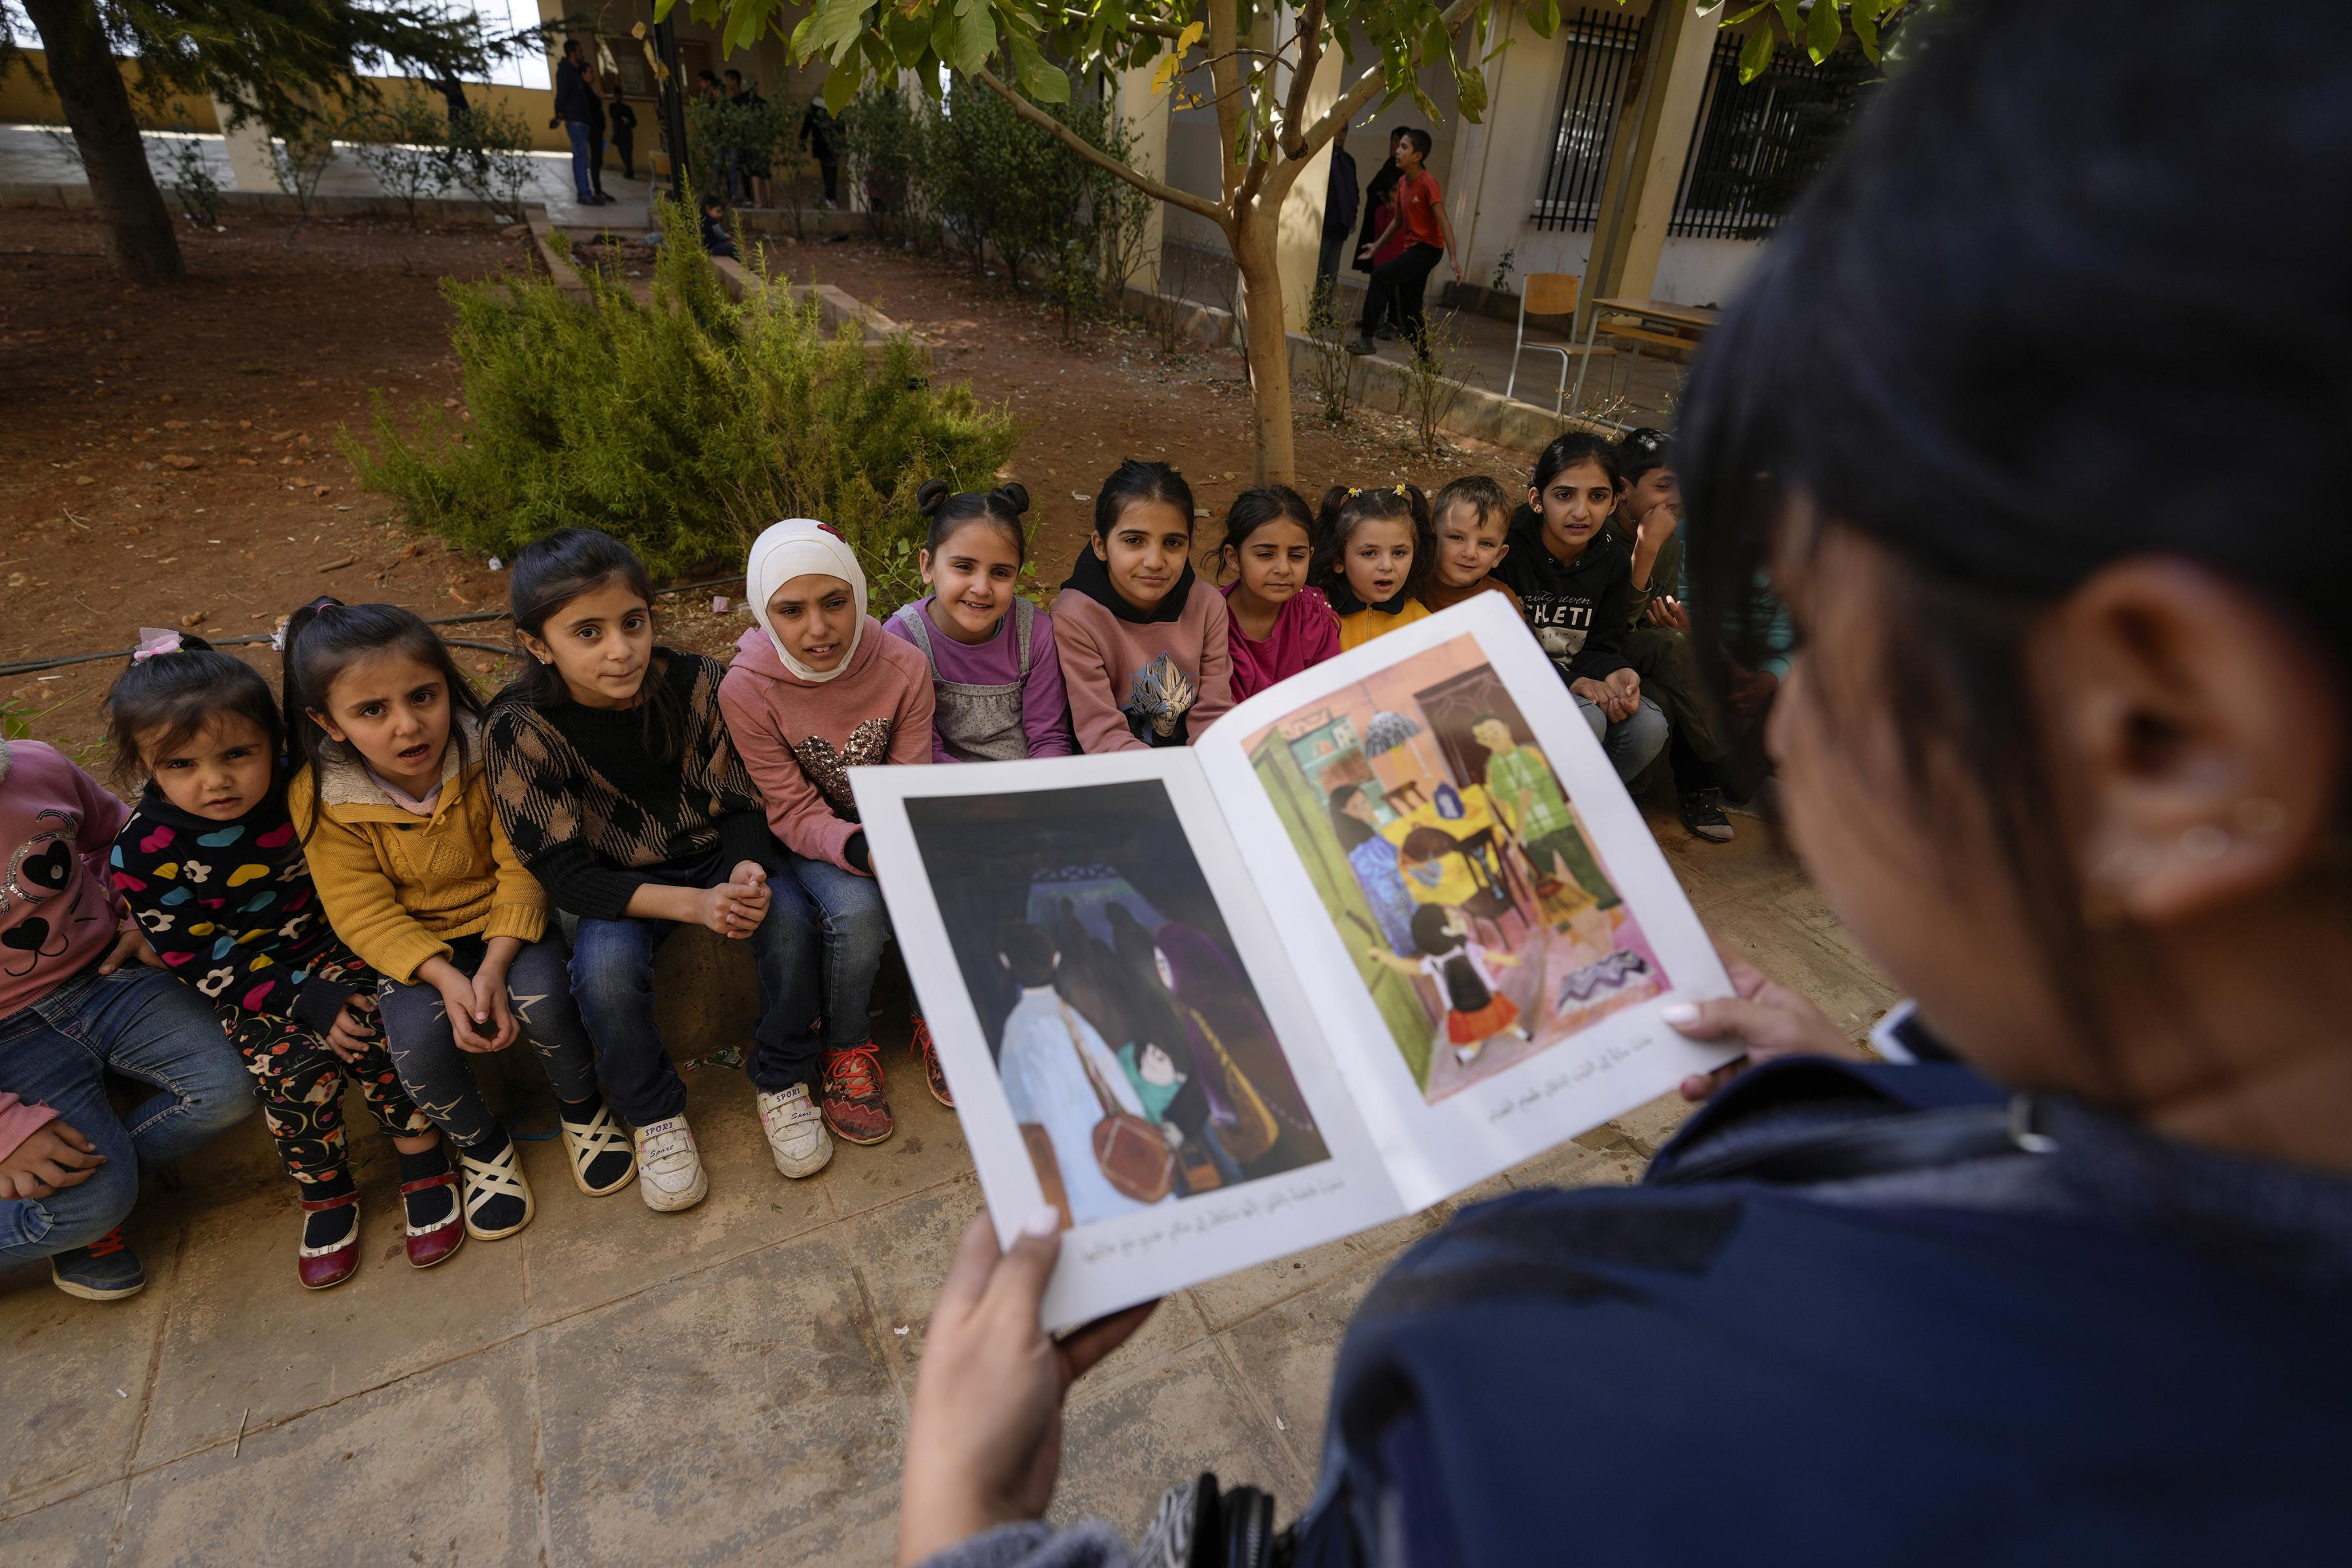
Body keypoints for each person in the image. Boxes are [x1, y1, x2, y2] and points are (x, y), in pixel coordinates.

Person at [890, 4, 2352, 1562]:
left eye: (1801, 615)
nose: (1768, 706)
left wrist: (964, 1515)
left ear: (2157, 733)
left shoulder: (1527, 1398)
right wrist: (1874, 1098)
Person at [485, 529, 832, 1211]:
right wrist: (694, 909)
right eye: (587, 633)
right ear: (537, 644)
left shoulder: (697, 682)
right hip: (619, 887)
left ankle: (784, 1078)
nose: (620, 649)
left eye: (632, 623)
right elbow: (566, 877)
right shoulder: (519, 728)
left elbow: (740, 799)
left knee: (790, 921)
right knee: (604, 975)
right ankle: (653, 1116)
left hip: (716, 860)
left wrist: (745, 877)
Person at [104, 633, 444, 1288]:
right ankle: (325, 1191)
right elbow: (195, 953)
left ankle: (422, 1156)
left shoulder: (306, 790)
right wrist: (301, 999)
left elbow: (356, 881)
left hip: (347, 945)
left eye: (238, 753)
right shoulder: (143, 849)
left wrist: (336, 985)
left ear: (276, 741)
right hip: (254, 985)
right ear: (144, 764)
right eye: (181, 765)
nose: (216, 780)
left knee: (381, 1032)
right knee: (288, 1074)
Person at [282, 598, 626, 1245]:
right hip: (417, 952)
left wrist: (495, 963)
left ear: (448, 685)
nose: (408, 727)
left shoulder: (488, 749)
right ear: (327, 722)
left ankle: (583, 1108)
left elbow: (523, 860)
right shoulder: (322, 798)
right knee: (416, 1050)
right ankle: (482, 1148)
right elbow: (360, 910)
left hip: (509, 924)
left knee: (548, 1000)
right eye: (372, 711)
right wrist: (443, 977)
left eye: (423, 696)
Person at [0, 738, 251, 1301]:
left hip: (106, 977)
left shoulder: (36, 767)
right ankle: (81, 1208)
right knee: (91, 1206)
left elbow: (118, 835)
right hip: (9, 1041)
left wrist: (140, 910)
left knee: (237, 1079)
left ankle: (99, 1184)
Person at [719, 521, 939, 1144]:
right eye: (791, 611)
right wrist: (858, 847)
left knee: (940, 886)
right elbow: (788, 809)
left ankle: (943, 1018)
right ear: (765, 612)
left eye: (834, 602)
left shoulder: (902, 665)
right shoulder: (748, 688)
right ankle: (845, 1048)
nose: (817, 629)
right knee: (857, 911)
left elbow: (907, 777)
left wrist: (892, 839)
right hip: (814, 840)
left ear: (859, 595)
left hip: (893, 821)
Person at [1492, 433, 1668, 783]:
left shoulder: (1614, 558)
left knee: (1648, 726)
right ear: (1536, 498)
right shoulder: (1505, 548)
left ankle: (1587, 808)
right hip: (1508, 687)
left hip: (1574, 683)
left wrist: (1616, 671)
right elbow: (1501, 653)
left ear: (1616, 501)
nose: (1580, 512)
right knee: (1587, 718)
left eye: (1597, 497)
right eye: (1563, 495)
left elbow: (1603, 645)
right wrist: (1575, 684)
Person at [884, 482, 1074, 766]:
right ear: (927, 566)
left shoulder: (1034, 634)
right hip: (945, 789)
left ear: (1017, 576)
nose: (982, 588)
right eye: (964, 567)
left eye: (1000, 572)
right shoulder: (903, 639)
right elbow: (921, 748)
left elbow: (1049, 738)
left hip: (1025, 785)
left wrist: (1037, 794)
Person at [992, 921, 1166, 1229]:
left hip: (1066, 1145)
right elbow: (1111, 1074)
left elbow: (1017, 1105)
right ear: (1056, 959)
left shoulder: (1018, 1026)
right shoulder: (1069, 1014)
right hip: (1113, 1138)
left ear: (1005, 962)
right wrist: (1140, 1118)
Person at [1607, 427, 1735, 843]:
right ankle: (1715, 769)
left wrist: (1675, 619)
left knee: (1680, 652)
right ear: (1623, 490)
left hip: (1643, 646)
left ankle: (1702, 780)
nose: (1675, 497)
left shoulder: (1670, 539)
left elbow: (1656, 611)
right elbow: (1613, 627)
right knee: (1675, 653)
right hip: (1602, 647)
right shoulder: (1601, 533)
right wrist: (1644, 550)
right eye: (1663, 486)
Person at [1053, 461, 1234, 751]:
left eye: (1173, 543)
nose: (1154, 561)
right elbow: (1103, 733)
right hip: (1117, 771)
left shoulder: (1208, 607)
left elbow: (1213, 714)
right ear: (1100, 545)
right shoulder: (1076, 618)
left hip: (1193, 764)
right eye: (1134, 540)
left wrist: (1211, 767)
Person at [1473, 712, 1618, 915]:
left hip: (1557, 822)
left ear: (1506, 727)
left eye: (1493, 730)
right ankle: (1559, 922)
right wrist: (1505, 827)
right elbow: (1501, 802)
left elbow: (1527, 793)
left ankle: (1609, 903)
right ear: (1480, 742)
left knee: (1583, 866)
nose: (1491, 737)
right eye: (1484, 736)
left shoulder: (1532, 753)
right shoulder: (1492, 767)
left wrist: (1516, 834)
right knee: (1540, 881)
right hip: (1531, 835)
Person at [1365, 902, 1527, 1066]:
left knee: (1479, 1034)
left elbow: (1412, 968)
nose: (1461, 920)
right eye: (1455, 919)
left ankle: (1469, 1053)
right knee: (1499, 1024)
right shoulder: (1464, 948)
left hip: (1461, 1007)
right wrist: (1511, 960)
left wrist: (1385, 958)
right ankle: (1511, 1037)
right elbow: (1489, 955)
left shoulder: (1434, 961)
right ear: (1444, 930)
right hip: (1486, 997)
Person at [1216, 485, 1337, 702]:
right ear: (1233, 558)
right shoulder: (1211, 624)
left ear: (1310, 555)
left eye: (1296, 556)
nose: (1283, 568)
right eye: (1265, 555)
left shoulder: (1313, 617)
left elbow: (1331, 694)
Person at [1348, 127, 1459, 357]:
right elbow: (1398, 222)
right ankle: (1426, 363)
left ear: (1417, 156)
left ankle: (1366, 339)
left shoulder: (1428, 183)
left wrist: (1454, 259)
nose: (1397, 151)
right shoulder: (1401, 184)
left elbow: (1444, 222)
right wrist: (1376, 246)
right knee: (1410, 309)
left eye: (1404, 147)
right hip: (1414, 249)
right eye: (1398, 147)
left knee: (1380, 276)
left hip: (1428, 249)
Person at [1309, 482, 1434, 651]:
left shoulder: (1424, 626)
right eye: (1369, 553)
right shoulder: (1314, 615)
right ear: (1339, 561)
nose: (1387, 566)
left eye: (1399, 553)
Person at [1420, 474, 1524, 616]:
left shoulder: (1502, 605)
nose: (1470, 553)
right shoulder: (1409, 588)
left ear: (1498, 556)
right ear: (1432, 538)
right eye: (1456, 537)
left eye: (1486, 544)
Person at [1330, 783, 1415, 954]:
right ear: (1343, 813)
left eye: (1365, 801)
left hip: (1390, 899)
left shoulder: (1360, 837)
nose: (1365, 808)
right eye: (1356, 806)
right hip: (1393, 899)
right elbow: (1396, 860)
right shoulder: (1366, 847)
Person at [550, 39, 606, 206]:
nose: (582, 55)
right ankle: (585, 194)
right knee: (581, 159)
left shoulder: (576, 72)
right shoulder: (566, 72)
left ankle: (586, 192)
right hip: (576, 122)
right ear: (572, 53)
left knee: (583, 158)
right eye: (580, 52)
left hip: (583, 121)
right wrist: (559, 114)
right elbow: (561, 96)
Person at [1312, 124, 1360, 313]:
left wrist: (1351, 216)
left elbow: (1353, 192)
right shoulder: (1321, 160)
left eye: (1344, 131)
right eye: (1337, 130)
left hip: (1340, 226)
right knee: (1317, 272)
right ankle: (1312, 311)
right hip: (1322, 226)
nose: (1340, 135)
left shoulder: (1348, 161)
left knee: (1331, 273)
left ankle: (1323, 312)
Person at [725, 69, 771, 208]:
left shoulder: (740, 103)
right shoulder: (761, 103)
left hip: (748, 142)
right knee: (762, 172)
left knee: (752, 172)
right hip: (759, 142)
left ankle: (757, 200)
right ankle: (767, 201)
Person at [800, 99, 841, 208]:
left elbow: (807, 125)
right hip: (833, 144)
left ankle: (830, 196)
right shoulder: (836, 105)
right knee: (831, 171)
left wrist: (802, 140)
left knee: (826, 170)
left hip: (820, 144)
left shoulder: (814, 107)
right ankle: (830, 197)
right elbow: (841, 126)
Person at [606, 83, 637, 182]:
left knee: (628, 154)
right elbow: (615, 116)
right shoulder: (612, 107)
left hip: (627, 135)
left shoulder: (627, 108)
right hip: (619, 135)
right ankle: (628, 169)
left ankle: (629, 170)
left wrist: (628, 122)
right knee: (623, 154)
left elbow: (633, 122)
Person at [699, 193, 738, 259]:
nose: (720, 215)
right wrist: (728, 236)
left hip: (705, 248)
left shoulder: (701, 218)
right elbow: (721, 235)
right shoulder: (712, 221)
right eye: (718, 211)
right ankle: (742, 264)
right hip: (712, 248)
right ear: (708, 208)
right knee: (732, 247)